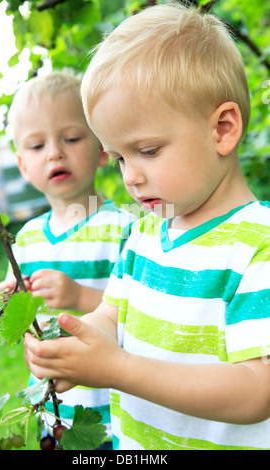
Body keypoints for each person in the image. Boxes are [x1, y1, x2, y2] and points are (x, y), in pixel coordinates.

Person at [23, 2, 270, 450]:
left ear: (222, 129)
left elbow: (259, 391)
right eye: (119, 157)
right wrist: (71, 347)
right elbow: (109, 317)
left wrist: (117, 369)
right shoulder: (144, 235)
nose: (130, 176)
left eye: (148, 150)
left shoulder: (258, 244)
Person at [0, 71, 136, 449]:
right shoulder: (23, 240)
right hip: (52, 411)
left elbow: (140, 316)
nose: (55, 152)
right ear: (23, 165)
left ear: (103, 148)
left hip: (111, 410)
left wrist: (78, 296)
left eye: (72, 138)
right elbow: (30, 327)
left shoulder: (124, 227)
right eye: (36, 146)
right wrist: (14, 306)